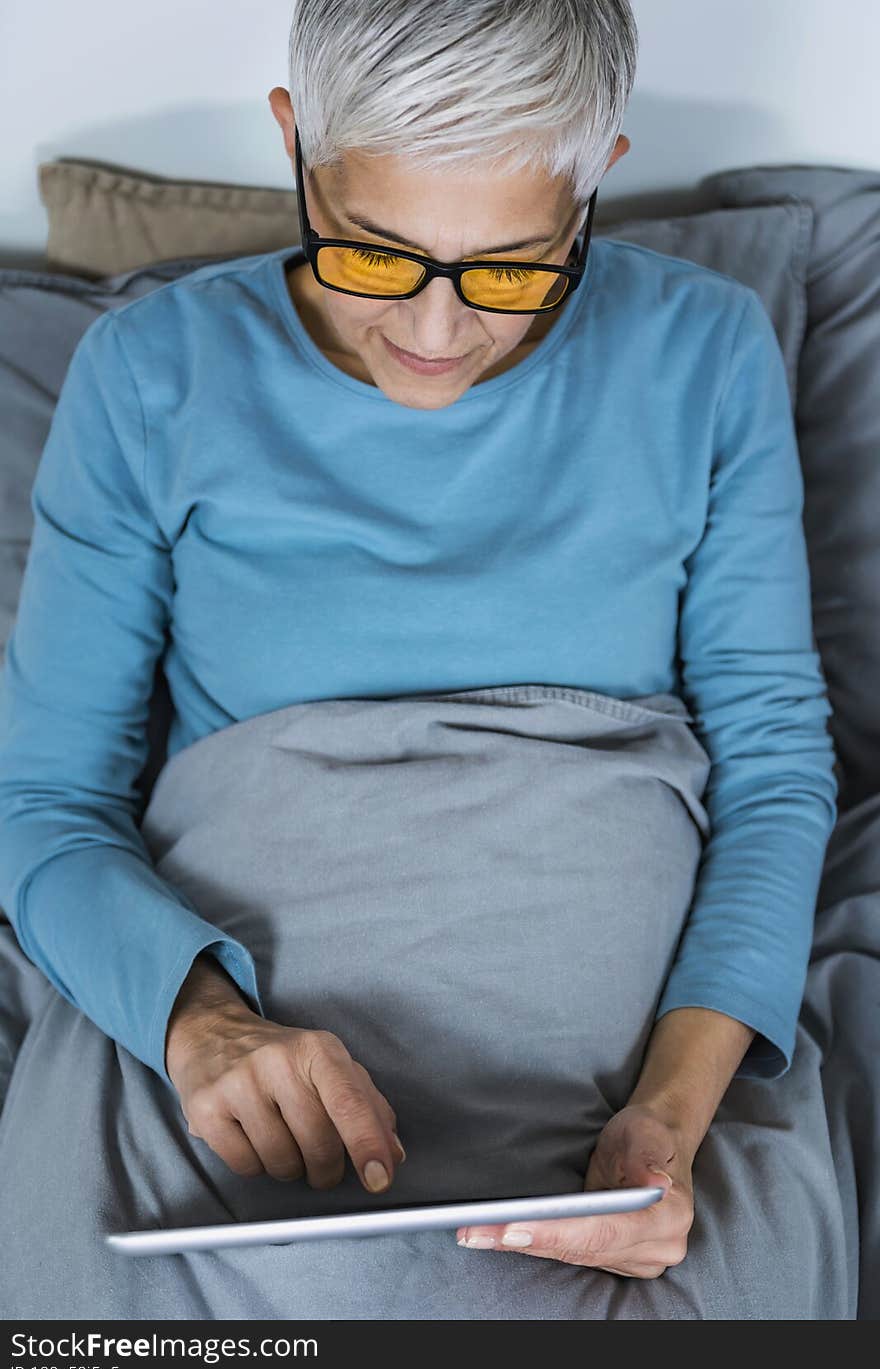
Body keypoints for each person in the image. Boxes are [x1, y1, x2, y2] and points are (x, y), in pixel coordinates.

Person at [0, 0, 837, 1288]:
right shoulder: (150, 370)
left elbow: (777, 764)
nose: (437, 336)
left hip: (644, 1063)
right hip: (223, 1034)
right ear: (295, 148)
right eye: (374, 256)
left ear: (594, 179)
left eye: (512, 266)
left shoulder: (707, 348)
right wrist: (200, 1026)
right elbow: (42, 799)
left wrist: (671, 1118)